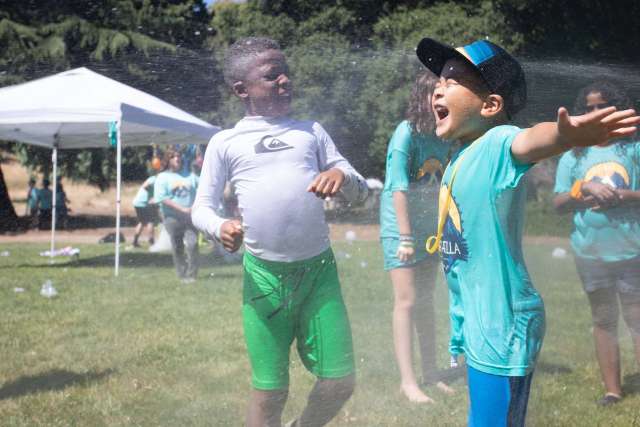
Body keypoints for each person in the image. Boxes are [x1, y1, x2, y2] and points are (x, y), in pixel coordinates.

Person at [416, 37, 640, 426]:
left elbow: (529, 139)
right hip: (481, 317)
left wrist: (565, 136)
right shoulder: (462, 154)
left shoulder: (495, 142)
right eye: (439, 80)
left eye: (453, 80)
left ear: (490, 106)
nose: (439, 86)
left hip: (503, 323)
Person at [192, 37, 368, 427]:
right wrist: (220, 225)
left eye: (286, 72)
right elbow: (200, 208)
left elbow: (361, 191)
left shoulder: (311, 131)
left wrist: (341, 175)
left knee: (340, 381)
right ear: (242, 90)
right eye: (273, 76)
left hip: (318, 274)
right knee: (270, 390)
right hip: (264, 279)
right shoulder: (225, 142)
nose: (285, 80)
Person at [553, 81, 640, 406]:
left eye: (601, 106)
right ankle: (612, 390)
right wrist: (583, 188)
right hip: (589, 252)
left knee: (636, 318)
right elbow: (559, 203)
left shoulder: (633, 149)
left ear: (614, 109)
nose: (594, 113)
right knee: (603, 319)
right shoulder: (574, 155)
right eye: (587, 108)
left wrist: (623, 196)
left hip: (632, 250)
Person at [379, 72, 454, 403]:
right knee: (407, 302)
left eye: (445, 95)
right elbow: (398, 188)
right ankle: (408, 382)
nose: (441, 100)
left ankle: (431, 374)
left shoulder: (443, 135)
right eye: (435, 94)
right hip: (402, 229)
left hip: (429, 231)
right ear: (423, 98)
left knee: (426, 303)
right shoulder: (405, 133)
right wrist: (406, 238)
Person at [154, 149, 199, 282]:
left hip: (190, 217)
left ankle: (192, 274)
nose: (177, 159)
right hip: (172, 218)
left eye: (178, 156)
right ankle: (182, 274)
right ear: (168, 161)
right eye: (173, 157)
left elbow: (202, 189)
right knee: (177, 246)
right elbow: (162, 198)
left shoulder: (190, 176)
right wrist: (182, 209)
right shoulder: (163, 177)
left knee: (192, 244)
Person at [132, 175, 158, 247]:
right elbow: (145, 186)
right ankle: (152, 242)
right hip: (144, 202)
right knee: (150, 221)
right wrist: (151, 196)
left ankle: (135, 242)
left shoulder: (154, 178)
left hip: (138, 202)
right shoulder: (154, 178)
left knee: (142, 222)